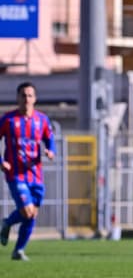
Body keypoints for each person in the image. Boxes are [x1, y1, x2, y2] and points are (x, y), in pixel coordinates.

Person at [0, 82, 56, 261]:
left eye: (30, 95)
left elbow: (49, 138)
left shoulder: (42, 120)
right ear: (17, 98)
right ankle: (7, 223)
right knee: (26, 210)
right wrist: (1, 161)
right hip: (16, 174)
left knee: (31, 215)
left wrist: (50, 151)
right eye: (23, 95)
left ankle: (18, 251)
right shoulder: (8, 120)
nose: (26, 99)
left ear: (35, 99)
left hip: (36, 175)